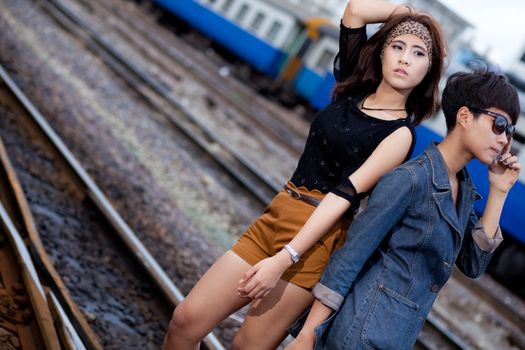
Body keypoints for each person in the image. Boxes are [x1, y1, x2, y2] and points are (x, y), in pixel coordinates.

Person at [162, 0, 446, 348]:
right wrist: (411, 16)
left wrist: (284, 259)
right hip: (278, 212)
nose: (405, 59)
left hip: (313, 243)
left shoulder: (400, 135)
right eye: (398, 46)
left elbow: (344, 196)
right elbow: (355, 11)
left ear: (429, 71)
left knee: (245, 347)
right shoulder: (353, 89)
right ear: (382, 51)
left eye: (419, 54)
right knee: (186, 320)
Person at [285, 68, 521, 350]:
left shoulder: (463, 190)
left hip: (394, 338)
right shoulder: (410, 179)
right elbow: (350, 257)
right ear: (465, 116)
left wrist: (498, 191)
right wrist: (306, 337)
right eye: (499, 124)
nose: (505, 139)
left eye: (510, 130)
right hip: (358, 334)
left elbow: (473, 264)